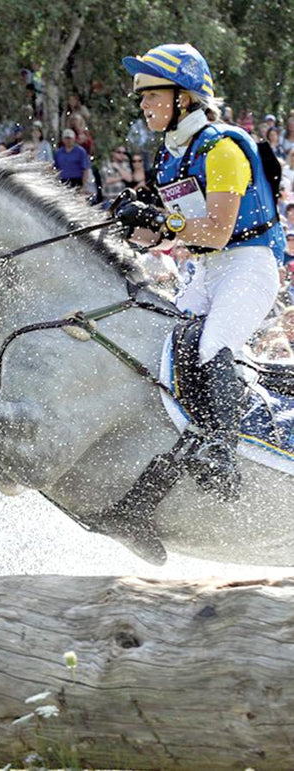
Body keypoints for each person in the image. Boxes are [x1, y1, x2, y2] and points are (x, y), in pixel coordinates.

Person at [116, 43, 284, 499]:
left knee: (213, 344)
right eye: (143, 97)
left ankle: (224, 452)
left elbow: (215, 230)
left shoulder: (223, 147)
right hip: (204, 271)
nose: (145, 105)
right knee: (160, 349)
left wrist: (161, 222)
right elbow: (173, 238)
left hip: (249, 265)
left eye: (152, 95)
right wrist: (133, 225)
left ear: (183, 98)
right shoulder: (169, 157)